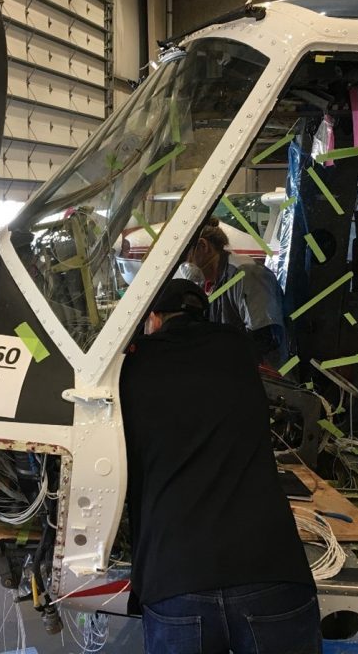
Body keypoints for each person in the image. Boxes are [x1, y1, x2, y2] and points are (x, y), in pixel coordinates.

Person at [120, 278, 321, 654]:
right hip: (270, 568)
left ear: (154, 319)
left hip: (175, 577)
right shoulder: (238, 349)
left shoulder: (131, 366)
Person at [186, 217, 287, 367]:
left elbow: (265, 337)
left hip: (263, 375)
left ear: (203, 246)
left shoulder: (247, 274)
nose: (185, 264)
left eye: (185, 257)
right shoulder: (208, 282)